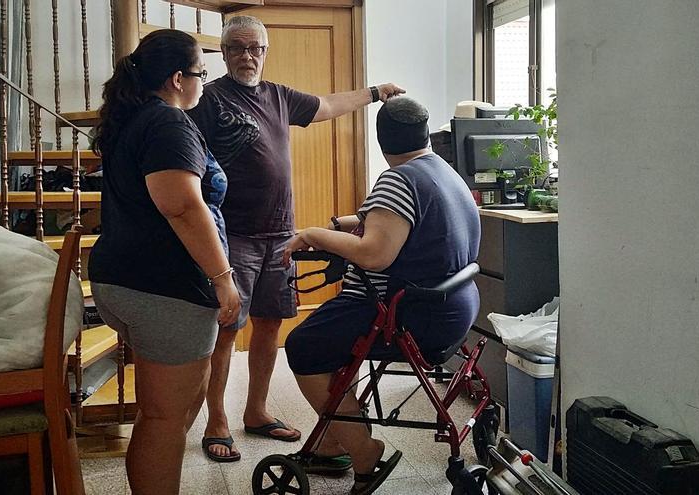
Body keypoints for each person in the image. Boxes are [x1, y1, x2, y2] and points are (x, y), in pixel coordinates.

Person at [187, 14, 405, 464]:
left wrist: (373, 93)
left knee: (269, 325)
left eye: (256, 48)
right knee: (227, 331)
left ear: (265, 52)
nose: (248, 56)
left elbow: (325, 106)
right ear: (224, 53)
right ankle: (217, 421)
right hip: (235, 236)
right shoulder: (207, 100)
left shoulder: (279, 97)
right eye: (238, 48)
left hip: (282, 235)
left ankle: (257, 411)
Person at [281, 96, 482, 494]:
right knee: (334, 342)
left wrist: (314, 235)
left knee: (303, 345)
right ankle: (331, 439)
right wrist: (351, 222)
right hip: (453, 309)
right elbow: (411, 219)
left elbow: (374, 255)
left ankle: (363, 449)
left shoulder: (397, 179)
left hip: (406, 315)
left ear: (380, 140)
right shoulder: (442, 170)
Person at [87, 30, 240, 495]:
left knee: (173, 408)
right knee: (164, 418)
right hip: (163, 289)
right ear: (178, 78)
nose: (203, 82)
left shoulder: (134, 119)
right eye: (200, 73)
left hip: (127, 280)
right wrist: (223, 278)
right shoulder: (167, 124)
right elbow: (180, 206)